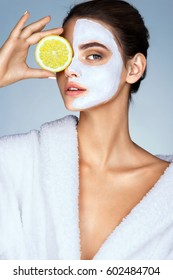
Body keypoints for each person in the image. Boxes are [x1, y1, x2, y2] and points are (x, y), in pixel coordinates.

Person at [0, 0, 173, 260]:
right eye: (66, 55)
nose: (69, 69)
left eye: (93, 55)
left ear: (134, 68)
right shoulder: (15, 161)